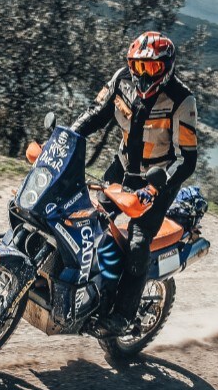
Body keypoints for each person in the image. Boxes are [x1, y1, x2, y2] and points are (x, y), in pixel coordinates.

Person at [72, 31, 198, 334]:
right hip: (124, 167)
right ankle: (87, 286)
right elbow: (95, 114)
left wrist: (155, 187)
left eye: (151, 67)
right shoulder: (121, 80)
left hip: (158, 180)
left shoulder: (182, 100)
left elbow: (187, 160)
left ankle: (124, 315)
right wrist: (66, 136)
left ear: (167, 67)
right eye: (138, 66)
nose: (143, 75)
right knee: (87, 216)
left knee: (138, 242)